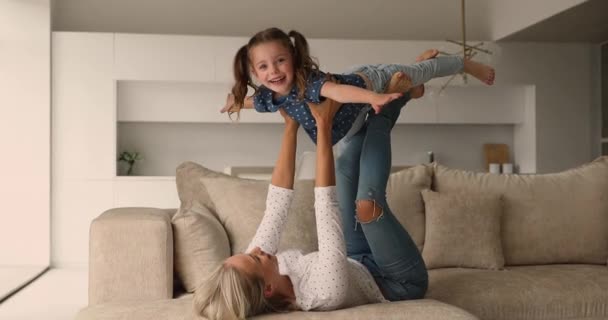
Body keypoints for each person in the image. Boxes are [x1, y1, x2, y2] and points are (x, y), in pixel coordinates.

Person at [194, 95, 427, 319]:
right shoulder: (324, 292)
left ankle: (372, 103)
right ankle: (394, 102)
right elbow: (326, 206)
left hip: (357, 260)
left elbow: (276, 205)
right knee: (368, 205)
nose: (257, 250)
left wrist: (290, 125)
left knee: (346, 163)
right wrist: (323, 126)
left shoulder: (261, 265)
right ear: (267, 290)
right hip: (397, 282)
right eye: (256, 259)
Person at [220, 27, 495, 145]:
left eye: (280, 61)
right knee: (411, 86)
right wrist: (235, 103)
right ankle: (413, 89)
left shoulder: (310, 84)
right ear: (255, 72)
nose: (274, 71)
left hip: (368, 81)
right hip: (348, 119)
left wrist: (375, 96)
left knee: (420, 72)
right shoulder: (273, 97)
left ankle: (464, 63)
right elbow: (253, 102)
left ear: (293, 58)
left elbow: (339, 92)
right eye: (264, 67)